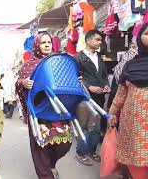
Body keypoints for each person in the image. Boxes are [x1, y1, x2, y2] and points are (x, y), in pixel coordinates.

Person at [16, 32, 72, 179]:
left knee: (64, 144)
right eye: (43, 42)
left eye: (49, 42)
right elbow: (19, 81)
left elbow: (68, 79)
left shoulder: (58, 61)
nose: (47, 45)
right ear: (36, 46)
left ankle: (51, 164)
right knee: (40, 147)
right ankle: (45, 174)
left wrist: (74, 78)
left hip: (58, 110)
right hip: (38, 111)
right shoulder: (28, 65)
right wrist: (23, 83)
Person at [108, 23, 148, 179]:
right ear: (139, 38)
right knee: (136, 165)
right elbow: (120, 94)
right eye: (147, 34)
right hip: (134, 125)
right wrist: (110, 115)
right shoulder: (130, 65)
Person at [75, 29, 110, 166]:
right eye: (98, 39)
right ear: (88, 40)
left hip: (100, 96)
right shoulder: (78, 58)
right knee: (85, 125)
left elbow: (104, 75)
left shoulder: (100, 57)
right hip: (85, 97)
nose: (100, 42)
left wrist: (106, 85)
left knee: (97, 126)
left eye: (100, 40)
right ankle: (80, 152)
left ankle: (91, 150)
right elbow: (76, 78)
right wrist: (88, 86)